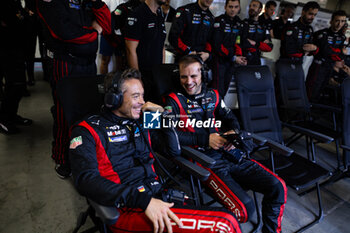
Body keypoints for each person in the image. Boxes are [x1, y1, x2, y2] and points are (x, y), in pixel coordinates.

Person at [69, 68, 242, 233]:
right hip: (127, 208)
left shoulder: (142, 118)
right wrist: (143, 201)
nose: (142, 102)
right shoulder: (86, 130)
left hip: (157, 194)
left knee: (221, 216)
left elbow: (172, 150)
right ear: (114, 99)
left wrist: (164, 117)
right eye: (136, 96)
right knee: (225, 224)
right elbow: (85, 180)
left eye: (142, 95)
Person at [166, 55, 287, 233]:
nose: (189, 81)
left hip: (229, 152)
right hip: (204, 161)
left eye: (193, 76)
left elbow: (230, 118)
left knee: (278, 187)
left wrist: (233, 133)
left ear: (204, 75)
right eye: (184, 76)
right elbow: (167, 139)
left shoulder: (213, 94)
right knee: (245, 211)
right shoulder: (172, 101)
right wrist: (205, 140)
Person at [37, 0, 111, 178]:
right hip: (65, 63)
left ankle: (85, 153)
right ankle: (62, 157)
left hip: (88, 64)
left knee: (91, 111)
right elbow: (65, 32)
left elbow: (107, 26)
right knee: (64, 113)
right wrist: (94, 32)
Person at [0, 0, 33, 135]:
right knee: (13, 84)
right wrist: (21, 18)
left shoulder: (15, 2)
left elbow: (20, 19)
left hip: (17, 48)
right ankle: (3, 119)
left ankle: (12, 116)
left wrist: (22, 17)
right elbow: (11, 22)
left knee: (18, 85)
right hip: (6, 49)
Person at [124, 0, 166, 103]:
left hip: (156, 77)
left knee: (155, 112)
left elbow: (162, 46)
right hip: (142, 76)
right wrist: (137, 79)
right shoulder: (138, 14)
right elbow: (130, 50)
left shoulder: (160, 14)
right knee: (142, 113)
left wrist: (162, 71)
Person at [305, 10, 347, 103]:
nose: (340, 24)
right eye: (337, 20)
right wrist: (340, 52)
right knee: (311, 91)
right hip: (318, 67)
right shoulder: (322, 34)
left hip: (330, 67)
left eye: (343, 21)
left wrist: (338, 54)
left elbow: (340, 57)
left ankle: (312, 113)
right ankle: (303, 113)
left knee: (321, 92)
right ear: (331, 21)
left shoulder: (342, 37)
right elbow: (326, 51)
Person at [211, 0, 247, 97]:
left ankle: (220, 110)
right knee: (217, 90)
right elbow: (217, 45)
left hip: (231, 61)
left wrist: (239, 56)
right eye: (230, 7)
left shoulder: (239, 23)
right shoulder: (218, 21)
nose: (233, 10)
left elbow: (238, 41)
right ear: (225, 7)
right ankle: (213, 111)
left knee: (225, 89)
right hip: (219, 60)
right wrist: (234, 57)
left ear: (239, 8)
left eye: (236, 7)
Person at [241, 0, 273, 65]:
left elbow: (269, 47)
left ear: (260, 10)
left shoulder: (263, 26)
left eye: (254, 6)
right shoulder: (243, 23)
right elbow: (242, 42)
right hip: (243, 59)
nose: (251, 8)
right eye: (250, 6)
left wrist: (255, 43)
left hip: (256, 59)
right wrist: (261, 44)